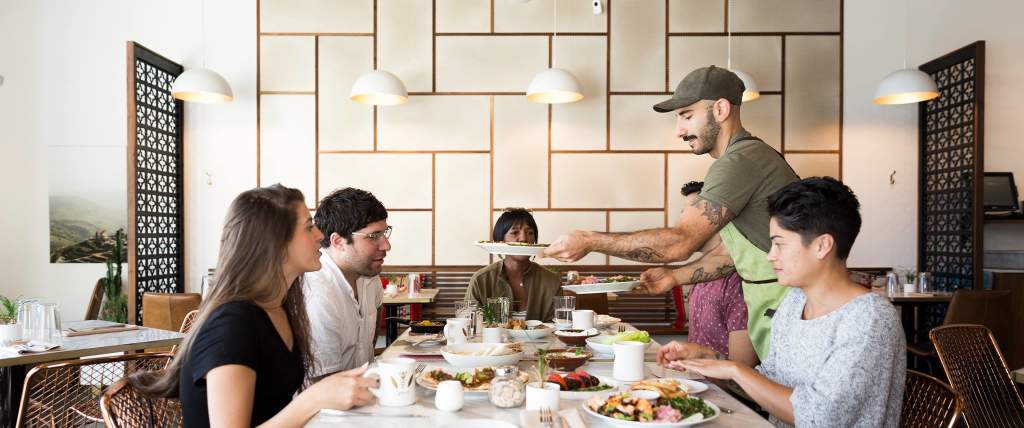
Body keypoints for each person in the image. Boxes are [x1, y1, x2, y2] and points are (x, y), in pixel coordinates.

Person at [540, 65, 798, 362]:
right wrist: (674, 277)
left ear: (721, 109)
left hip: (785, 305)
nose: (679, 130)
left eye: (687, 115)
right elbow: (731, 257)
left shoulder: (739, 161)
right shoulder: (747, 158)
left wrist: (588, 240)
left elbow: (679, 242)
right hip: (774, 306)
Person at [662, 177, 906, 427]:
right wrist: (710, 360)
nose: (771, 256)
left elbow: (819, 418)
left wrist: (735, 369)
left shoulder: (869, 319)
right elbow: (767, 384)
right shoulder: (794, 303)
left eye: (779, 244)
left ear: (822, 246)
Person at [129, 184, 375, 427]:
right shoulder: (232, 325)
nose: (320, 235)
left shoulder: (281, 306)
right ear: (275, 242)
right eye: (309, 227)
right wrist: (312, 399)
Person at [303, 188, 390, 380]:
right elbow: (323, 384)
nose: (386, 245)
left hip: (362, 396)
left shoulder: (370, 278)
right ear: (338, 241)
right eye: (374, 236)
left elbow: (370, 339)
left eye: (385, 233)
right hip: (325, 407)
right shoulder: (319, 293)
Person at [673, 181, 748, 360]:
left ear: (715, 218)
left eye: (687, 213)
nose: (679, 222)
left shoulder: (737, 280)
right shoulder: (701, 274)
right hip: (694, 379)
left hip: (721, 387)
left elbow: (742, 364)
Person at [465, 208, 561, 321]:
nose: (524, 238)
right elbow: (469, 324)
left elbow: (557, 328)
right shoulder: (481, 280)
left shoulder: (551, 281)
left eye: (530, 233)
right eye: (515, 232)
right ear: (500, 240)